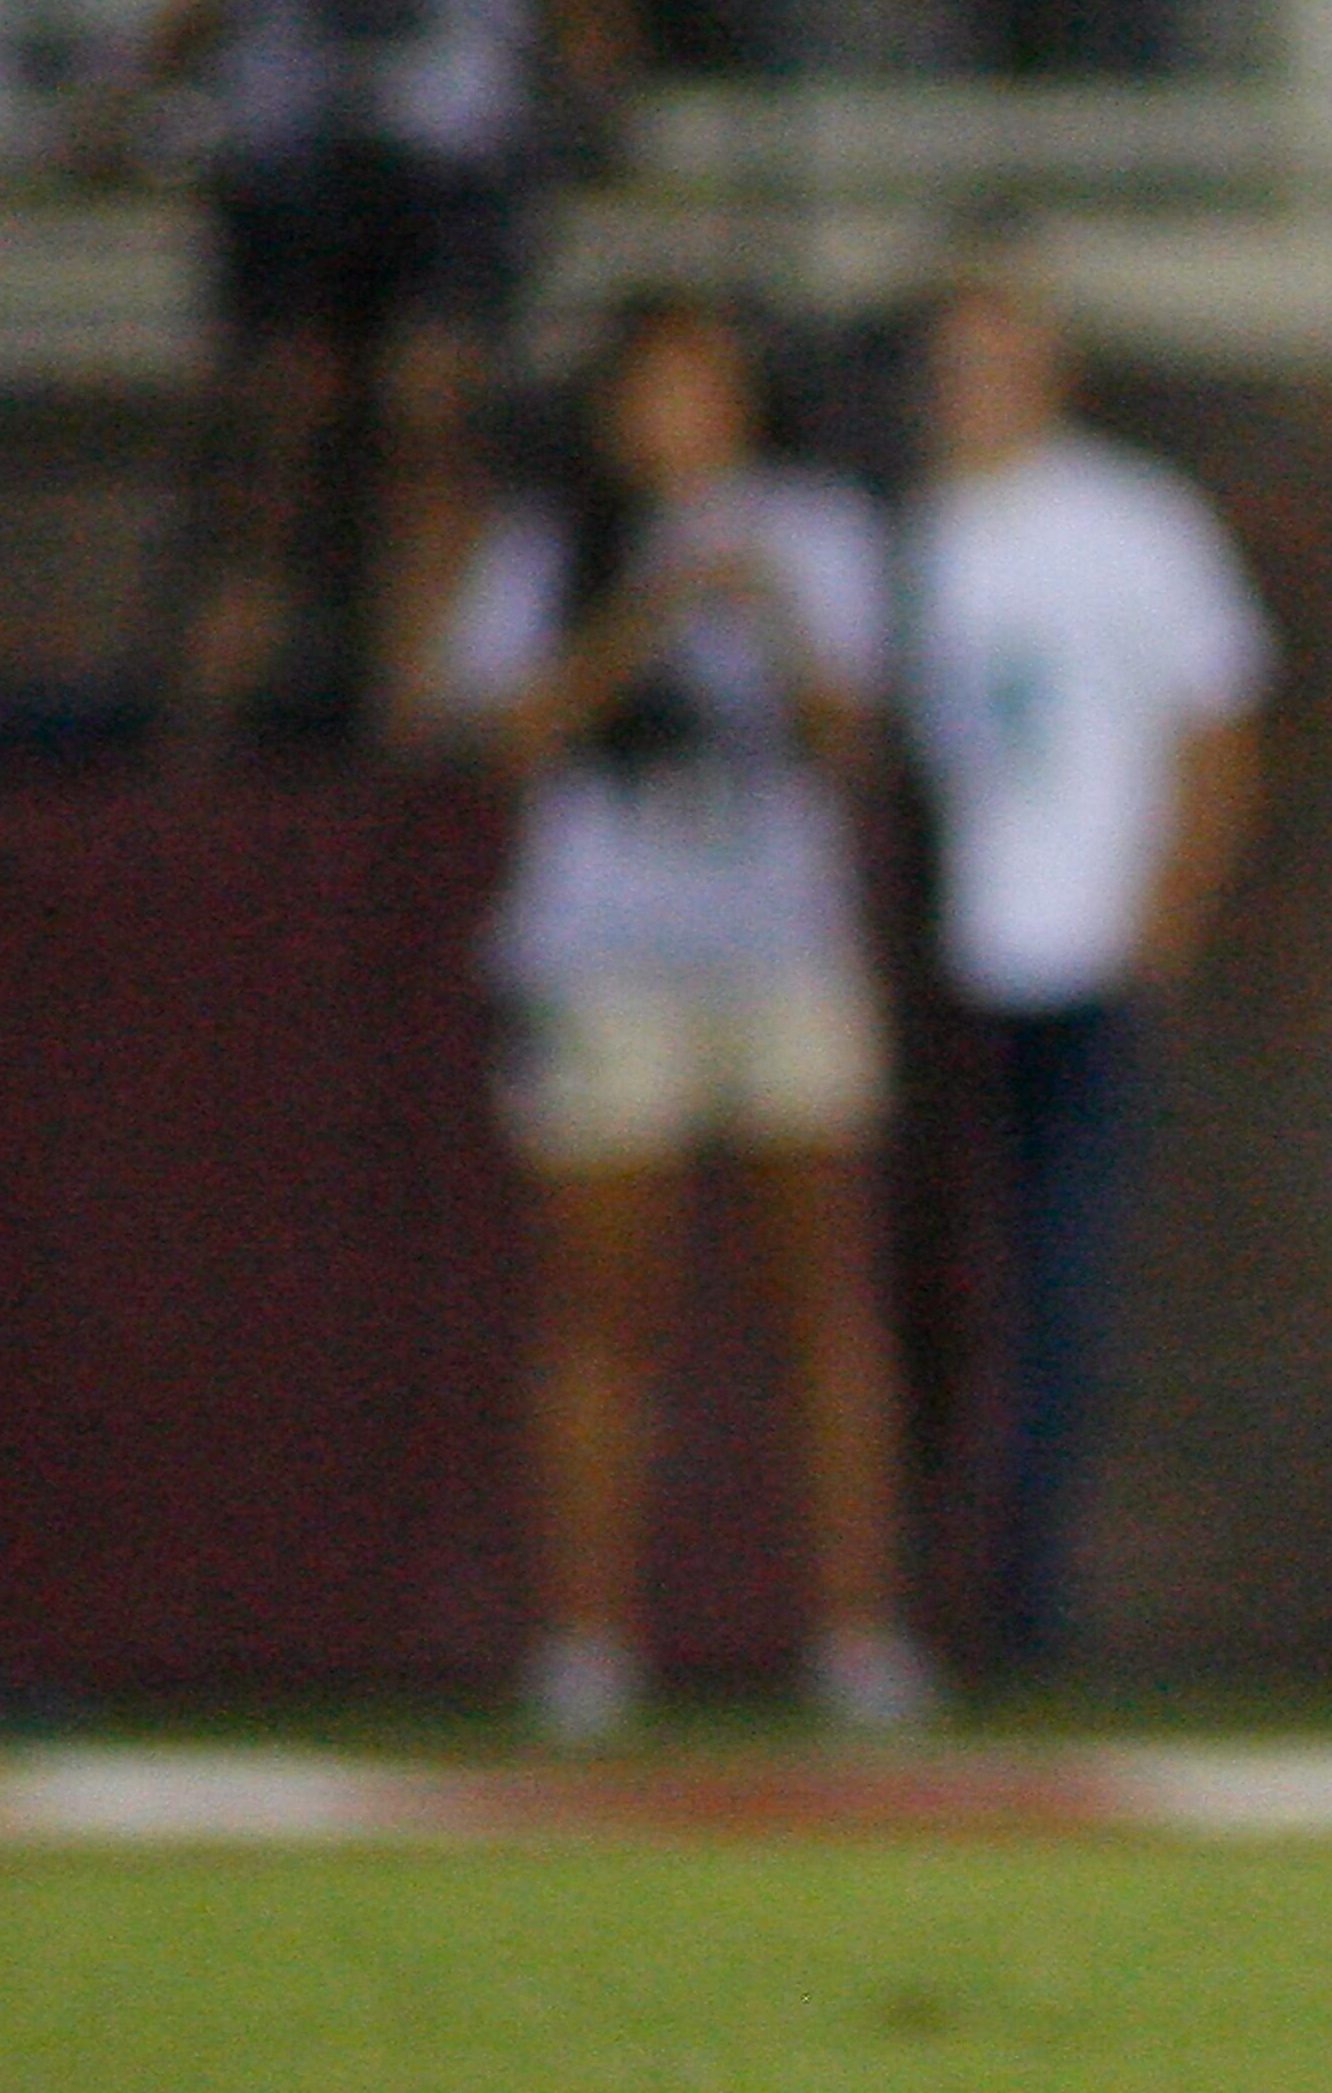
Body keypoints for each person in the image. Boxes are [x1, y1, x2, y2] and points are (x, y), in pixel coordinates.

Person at [412, 292, 936, 1743]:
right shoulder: (556, 540)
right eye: (655, 391)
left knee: (824, 1300)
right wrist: (647, 612)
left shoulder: (815, 531)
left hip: (782, 949)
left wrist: (760, 609)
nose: (680, 420)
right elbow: (503, 734)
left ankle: (857, 1635)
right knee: (602, 1310)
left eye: (705, 389)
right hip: (604, 954)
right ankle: (586, 1642)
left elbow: (851, 737)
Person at [900, 264, 1270, 1668]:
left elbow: (1221, 721)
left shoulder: (1128, 521)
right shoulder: (909, 531)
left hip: (1078, 965)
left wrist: (1159, 926)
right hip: (944, 970)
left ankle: (1021, 1610)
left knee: (1058, 1291)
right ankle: (924, 1601)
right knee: (937, 1294)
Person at [118, 0, 637, 752]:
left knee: (430, 425)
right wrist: (132, 94)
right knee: (268, 442)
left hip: (456, 150)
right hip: (287, 150)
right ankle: (202, 719)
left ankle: (410, 707)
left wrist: (587, 100)